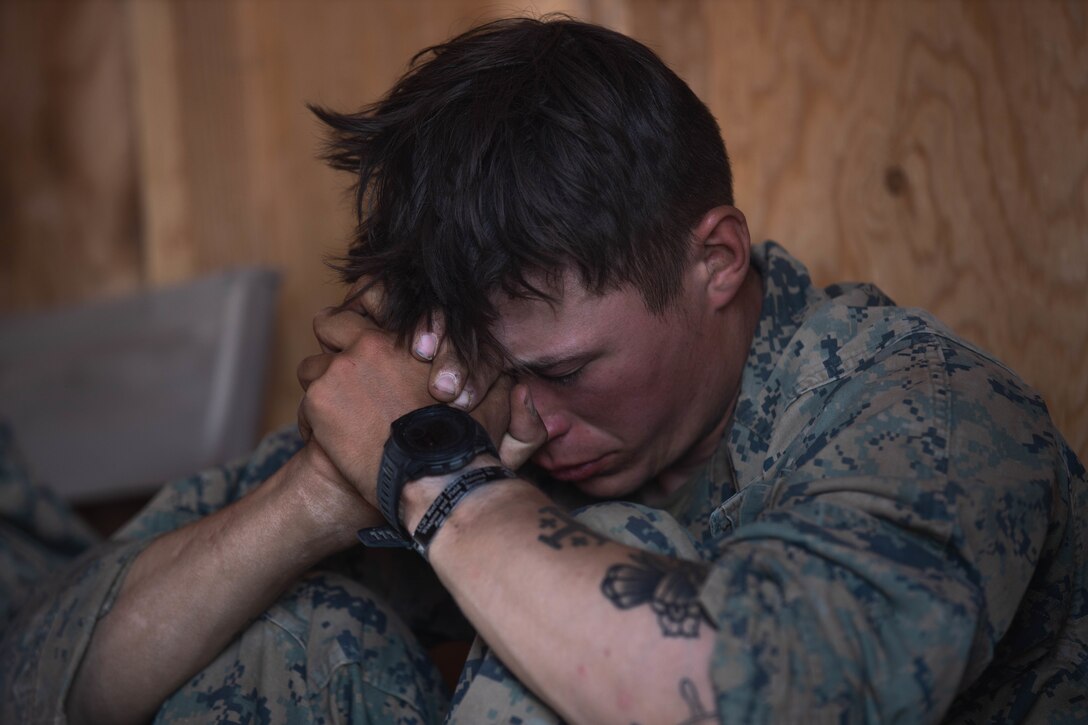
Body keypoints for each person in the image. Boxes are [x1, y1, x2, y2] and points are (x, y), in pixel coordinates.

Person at [2, 16, 1085, 724]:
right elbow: (43, 678)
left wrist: (443, 487)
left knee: (590, 598)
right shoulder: (462, 393)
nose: (523, 416)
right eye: (493, 371)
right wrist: (320, 491)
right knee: (287, 628)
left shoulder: (922, 405)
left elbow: (783, 693)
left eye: (567, 368)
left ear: (712, 259)